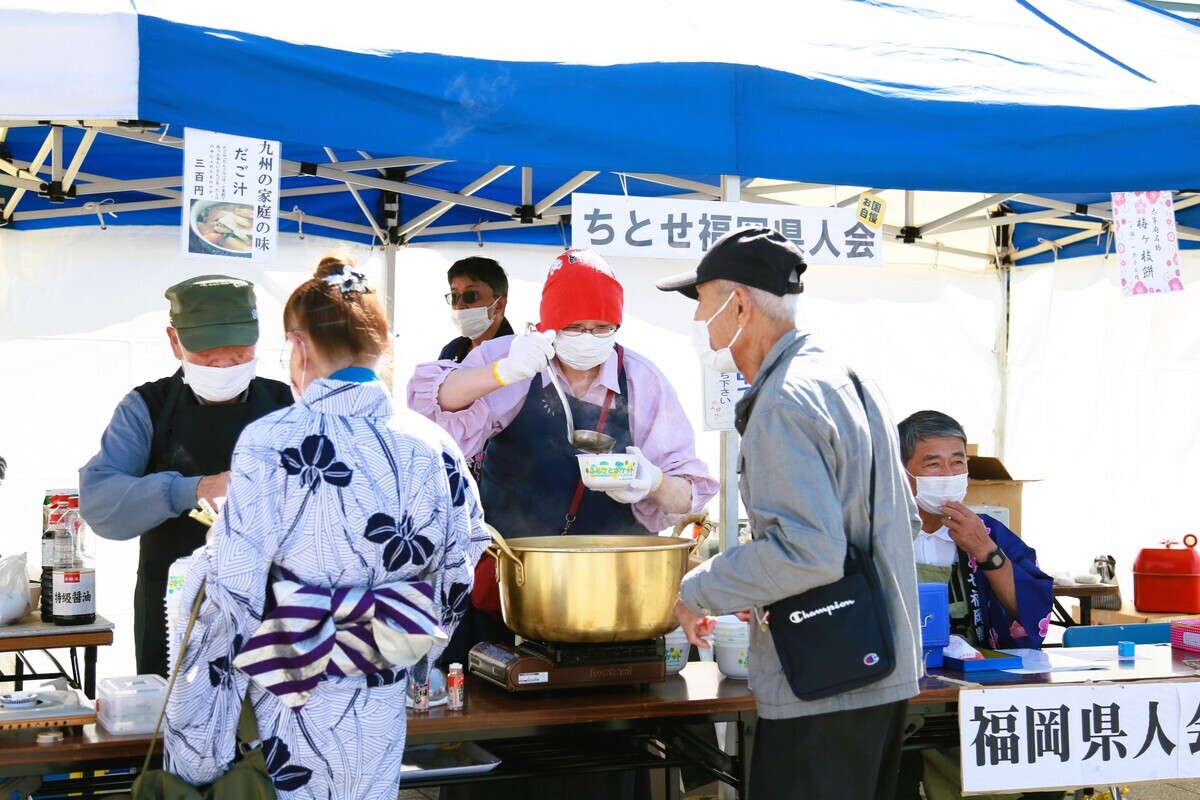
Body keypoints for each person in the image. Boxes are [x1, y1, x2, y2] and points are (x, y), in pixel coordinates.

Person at [163, 254, 488, 799]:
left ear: (299, 346)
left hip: (295, 681)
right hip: (383, 677)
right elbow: (463, 562)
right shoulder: (431, 443)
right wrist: (402, 646)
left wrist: (210, 558)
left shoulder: (270, 440)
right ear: (381, 345)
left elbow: (233, 588)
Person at [657, 227, 921, 800]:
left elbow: (807, 551)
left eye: (701, 303)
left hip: (823, 681)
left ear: (740, 304)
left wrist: (697, 587)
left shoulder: (781, 402)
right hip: (877, 666)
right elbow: (903, 517)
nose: (698, 322)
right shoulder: (847, 377)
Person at [79, 275, 292, 678]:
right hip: (174, 610)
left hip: (273, 610)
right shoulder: (147, 407)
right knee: (176, 724)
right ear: (175, 342)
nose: (226, 364)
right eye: (209, 352)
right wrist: (193, 489)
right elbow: (99, 501)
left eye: (239, 351)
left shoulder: (286, 405)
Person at [896, 409, 1056, 800]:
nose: (948, 474)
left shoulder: (988, 531)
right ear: (901, 471)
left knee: (1045, 768)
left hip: (980, 686)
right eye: (932, 463)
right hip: (899, 691)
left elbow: (1032, 615)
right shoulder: (877, 530)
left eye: (958, 462)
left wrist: (985, 549)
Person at [439, 256, 513, 363]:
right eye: (454, 296)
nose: (459, 305)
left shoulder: (517, 355)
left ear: (499, 305)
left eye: (470, 295)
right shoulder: (450, 351)